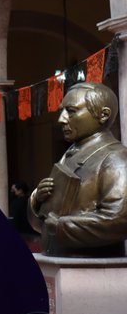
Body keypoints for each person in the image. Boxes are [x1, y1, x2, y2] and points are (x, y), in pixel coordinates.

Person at [29, 82, 127, 257]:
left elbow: (119, 220)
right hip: (61, 259)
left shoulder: (116, 158)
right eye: (62, 111)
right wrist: (37, 200)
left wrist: (60, 225)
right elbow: (42, 223)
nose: (62, 119)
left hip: (92, 266)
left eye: (71, 111)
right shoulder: (69, 155)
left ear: (103, 115)